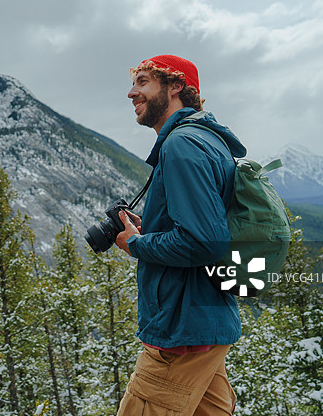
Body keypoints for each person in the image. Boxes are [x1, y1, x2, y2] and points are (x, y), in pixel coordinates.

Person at [114, 54, 245, 416]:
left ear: (176, 87)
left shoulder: (182, 145)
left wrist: (138, 244)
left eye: (142, 82)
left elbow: (204, 240)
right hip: (204, 323)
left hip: (180, 329)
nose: (131, 93)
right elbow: (200, 226)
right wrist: (152, 228)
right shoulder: (206, 140)